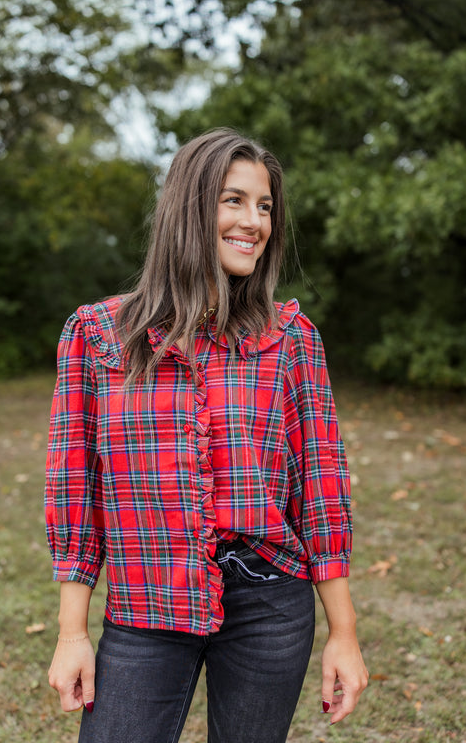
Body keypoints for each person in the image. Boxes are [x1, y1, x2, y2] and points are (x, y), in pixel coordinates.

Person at [45, 128, 368, 743]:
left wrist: (344, 636)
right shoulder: (97, 337)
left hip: (271, 603)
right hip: (147, 602)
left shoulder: (292, 341)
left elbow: (322, 493)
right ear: (189, 208)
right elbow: (73, 489)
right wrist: (72, 633)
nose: (255, 222)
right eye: (234, 200)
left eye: (265, 206)